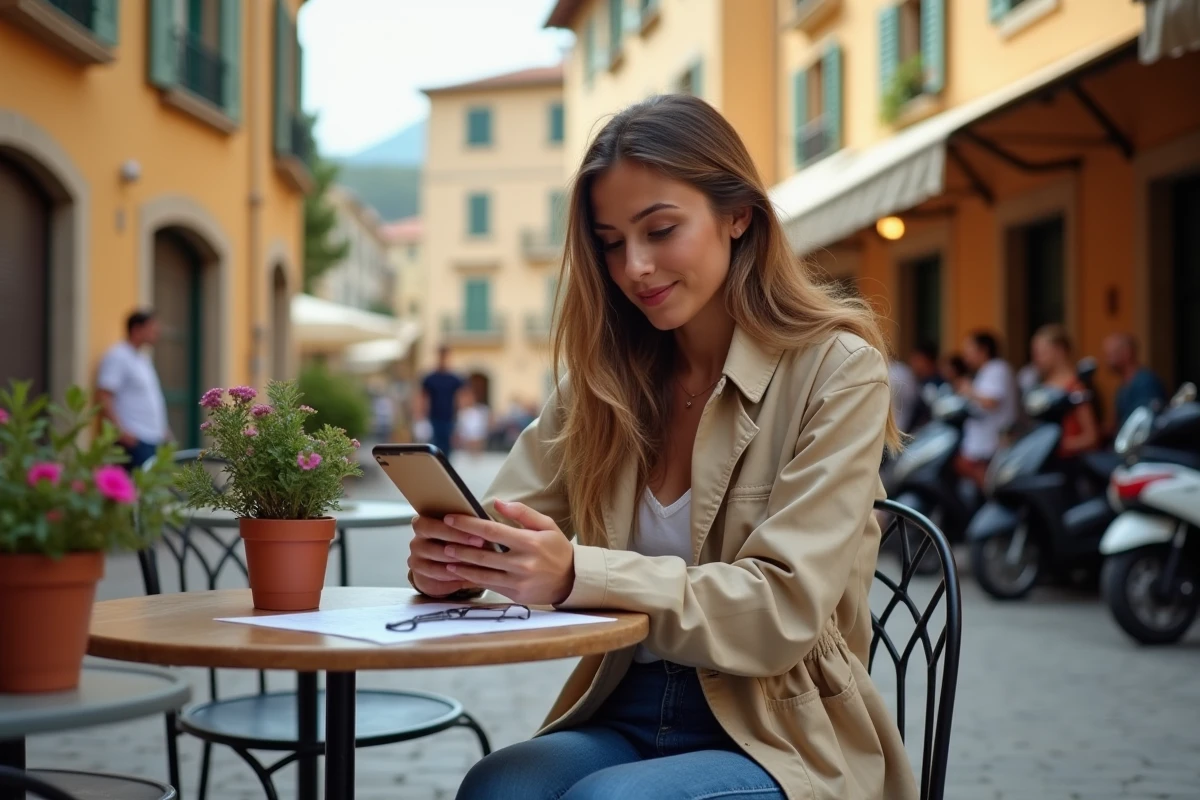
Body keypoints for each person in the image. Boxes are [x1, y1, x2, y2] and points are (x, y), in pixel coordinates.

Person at [407, 95, 918, 800]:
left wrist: (575, 573)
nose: (635, 267)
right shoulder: (602, 383)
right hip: (625, 704)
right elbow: (505, 519)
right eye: (611, 242)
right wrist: (457, 561)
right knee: (500, 786)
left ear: (738, 215)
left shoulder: (837, 370)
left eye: (660, 229)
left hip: (782, 729)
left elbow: (783, 610)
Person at [95, 310, 170, 470]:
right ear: (137, 329)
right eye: (152, 328)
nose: (156, 333)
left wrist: (164, 429)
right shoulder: (118, 356)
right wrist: (120, 431)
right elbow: (104, 395)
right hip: (135, 440)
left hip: (152, 438)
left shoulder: (143, 358)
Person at [954, 330, 1018, 487]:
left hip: (992, 443)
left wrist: (969, 391)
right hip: (982, 443)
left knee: (988, 482)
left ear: (983, 350)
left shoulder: (997, 368)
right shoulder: (986, 370)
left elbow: (991, 401)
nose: (966, 355)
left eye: (969, 350)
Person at [1031, 325, 1099, 458]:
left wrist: (1056, 445)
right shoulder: (1041, 385)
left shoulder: (1075, 387)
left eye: (1042, 353)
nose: (1037, 358)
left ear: (1059, 351)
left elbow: (1091, 437)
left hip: (1069, 462)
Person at [1103, 333, 1167, 432]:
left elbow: (1146, 423)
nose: (1107, 361)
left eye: (1111, 355)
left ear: (1126, 352)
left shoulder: (1145, 383)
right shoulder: (1123, 386)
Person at [420, 346, 465, 456]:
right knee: (435, 445)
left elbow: (460, 397)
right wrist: (421, 415)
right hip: (434, 417)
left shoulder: (454, 378)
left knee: (448, 446)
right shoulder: (430, 378)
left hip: (449, 417)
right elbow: (423, 397)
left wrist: (460, 414)